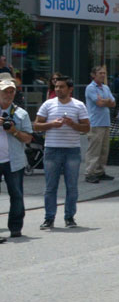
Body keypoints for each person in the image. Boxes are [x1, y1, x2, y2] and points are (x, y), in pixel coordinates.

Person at [34, 74, 91, 229]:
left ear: (70, 89)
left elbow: (86, 127)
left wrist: (73, 125)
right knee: (50, 187)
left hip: (72, 150)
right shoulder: (48, 104)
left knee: (71, 186)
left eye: (62, 87)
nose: (58, 89)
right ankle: (49, 218)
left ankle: (69, 217)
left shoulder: (78, 105)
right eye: (56, 87)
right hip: (52, 149)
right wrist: (51, 124)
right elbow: (36, 125)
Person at [1, 77, 33, 239]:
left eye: (11, 91)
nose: (8, 94)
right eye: (5, 91)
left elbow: (28, 139)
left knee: (17, 195)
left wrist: (14, 131)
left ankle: (15, 227)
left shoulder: (21, 114)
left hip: (14, 161)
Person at [83, 66, 116, 184]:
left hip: (105, 122)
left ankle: (99, 171)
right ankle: (90, 173)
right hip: (95, 123)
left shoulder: (106, 87)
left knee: (104, 149)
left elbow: (113, 103)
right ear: (93, 75)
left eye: (104, 73)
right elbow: (99, 103)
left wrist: (104, 101)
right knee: (94, 150)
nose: (103, 75)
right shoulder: (90, 88)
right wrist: (107, 101)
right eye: (100, 73)